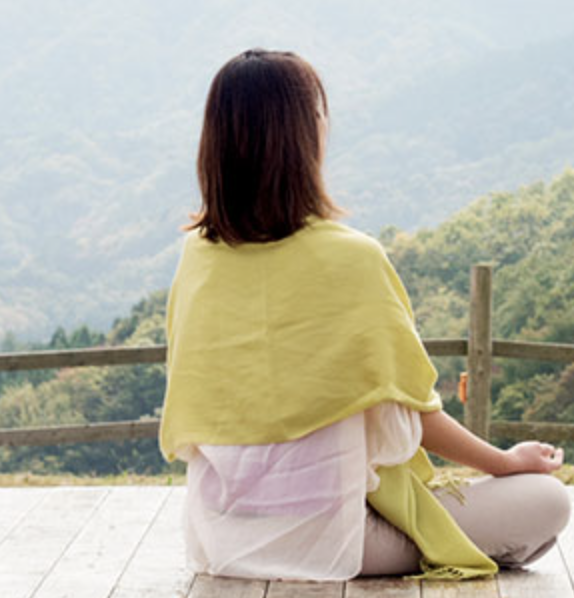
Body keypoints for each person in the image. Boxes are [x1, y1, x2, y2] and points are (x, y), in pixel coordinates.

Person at [158, 48, 570, 581]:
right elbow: (417, 416)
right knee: (545, 502)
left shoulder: (197, 257)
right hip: (331, 540)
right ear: (306, 134)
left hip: (221, 536)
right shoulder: (352, 258)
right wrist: (508, 462)